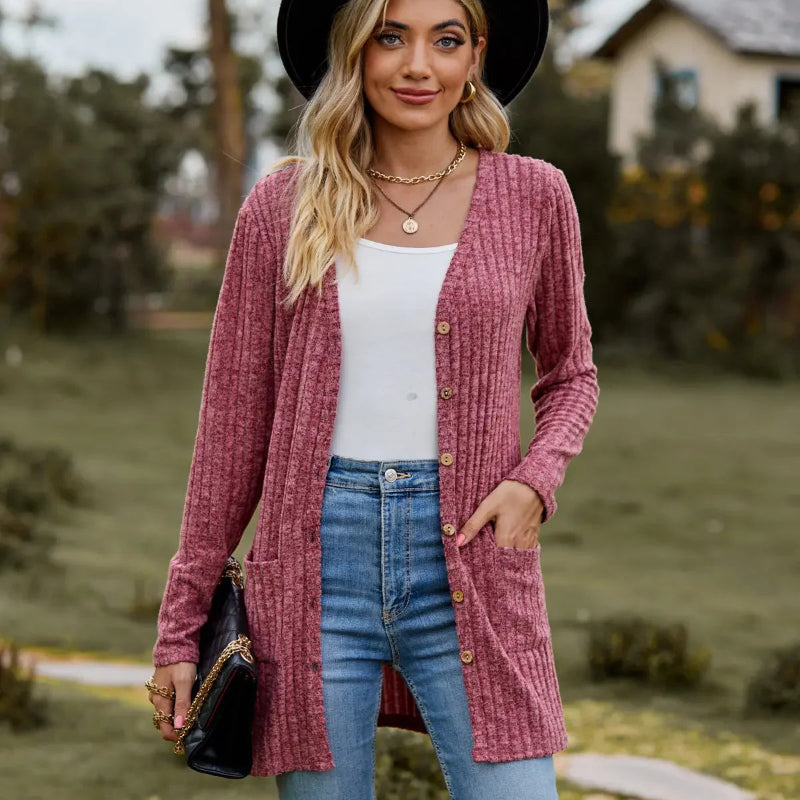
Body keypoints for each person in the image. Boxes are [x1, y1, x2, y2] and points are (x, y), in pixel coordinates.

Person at [146, 0, 600, 798]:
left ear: (475, 57)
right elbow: (231, 429)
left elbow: (572, 374)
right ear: (354, 52)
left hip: (472, 558)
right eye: (391, 37)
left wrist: (536, 480)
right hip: (314, 568)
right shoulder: (282, 206)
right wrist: (181, 628)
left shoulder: (534, 195)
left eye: (445, 40)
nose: (418, 65)